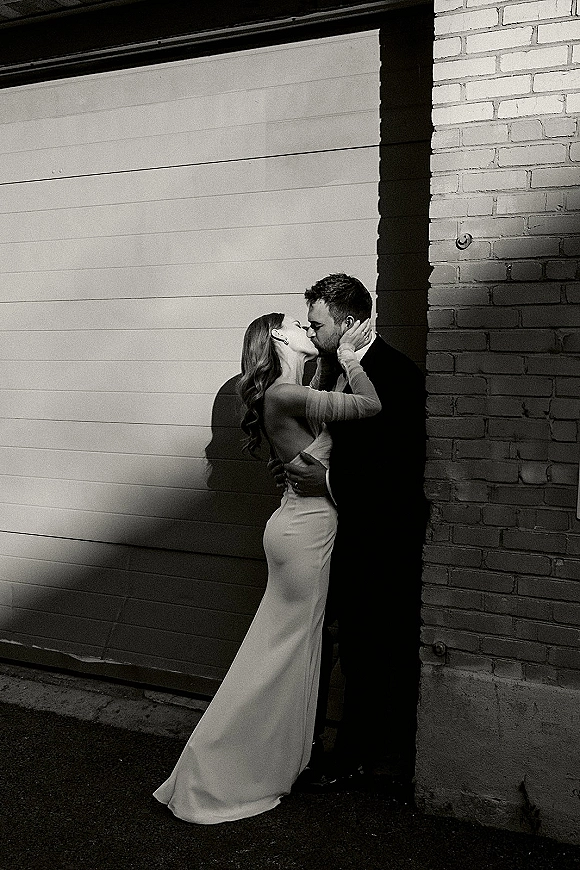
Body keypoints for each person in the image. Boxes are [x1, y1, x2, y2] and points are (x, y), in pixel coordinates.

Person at [153, 311, 381, 824]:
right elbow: (370, 405)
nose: (307, 327)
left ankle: (271, 763)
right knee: (277, 657)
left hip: (297, 528)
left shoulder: (294, 388)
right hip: (305, 535)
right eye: (297, 324)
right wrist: (349, 357)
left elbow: (309, 454)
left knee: (288, 654)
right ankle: (220, 770)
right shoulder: (284, 393)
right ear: (278, 338)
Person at [280, 273, 428, 793]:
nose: (311, 330)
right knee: (340, 642)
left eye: (318, 323)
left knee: (371, 648)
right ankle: (318, 741)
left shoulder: (396, 373)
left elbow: (400, 468)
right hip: (333, 534)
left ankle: (361, 756)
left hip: (378, 540)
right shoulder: (325, 369)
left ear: (348, 323)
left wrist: (327, 478)